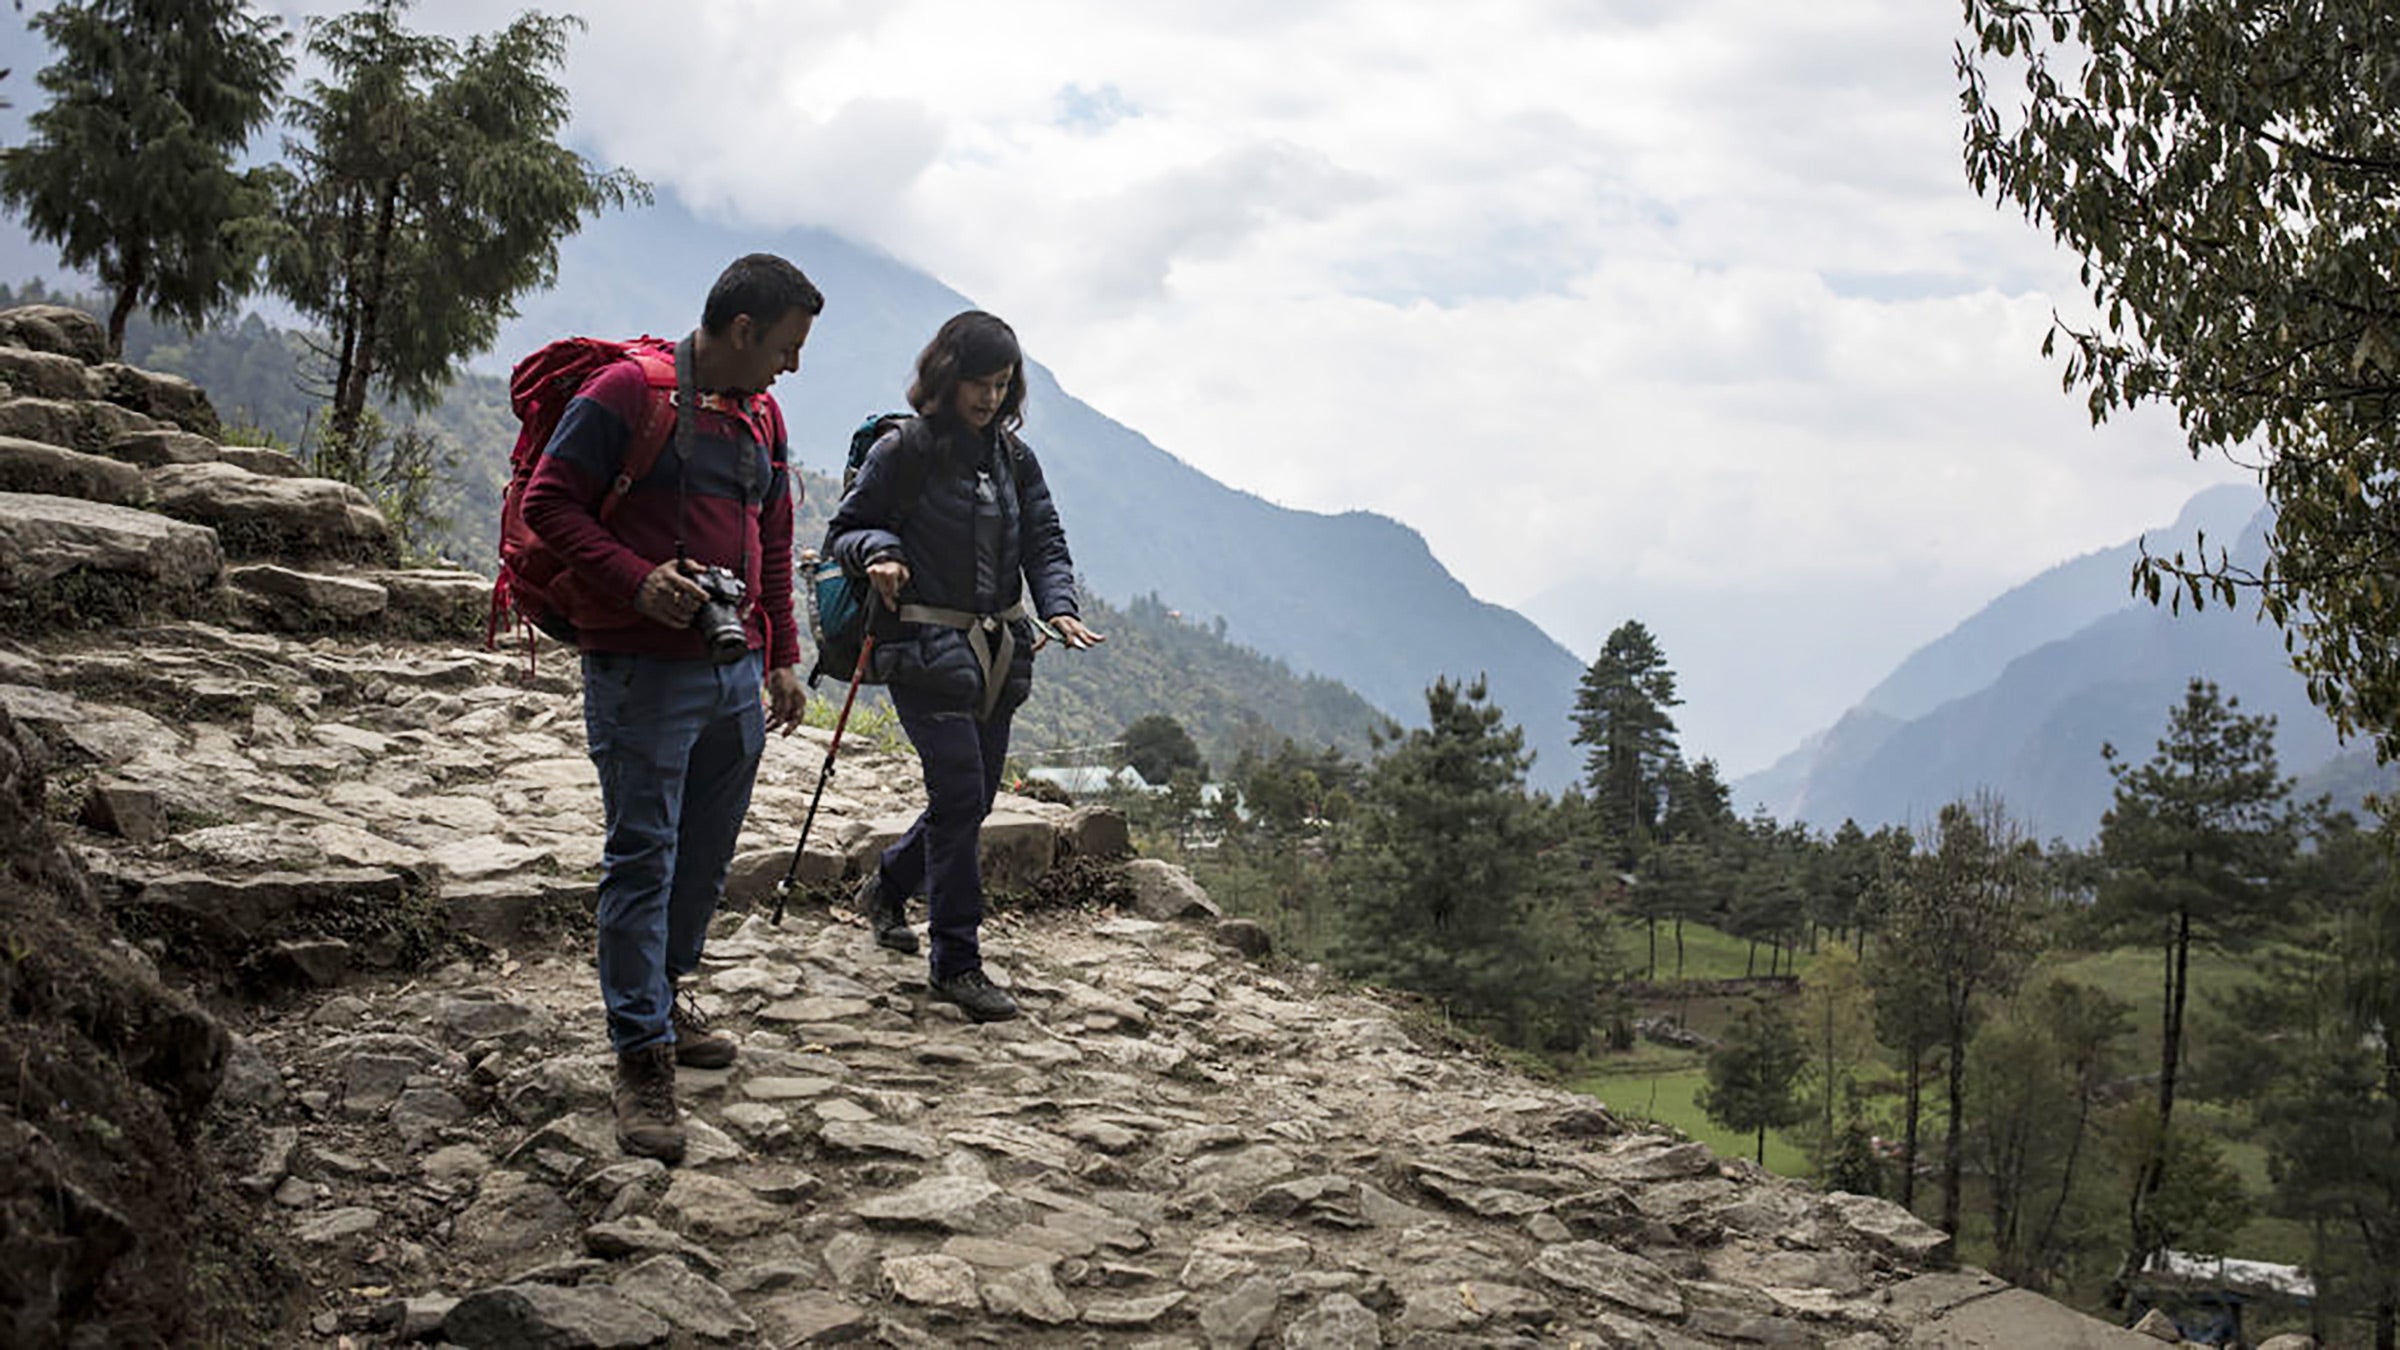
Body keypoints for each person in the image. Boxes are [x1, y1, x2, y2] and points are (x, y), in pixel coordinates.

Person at [521, 253, 821, 1162]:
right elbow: (548, 504)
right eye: (785, 347)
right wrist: (636, 579)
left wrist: (780, 656)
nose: (791, 367)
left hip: (732, 672)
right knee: (642, 856)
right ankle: (639, 1054)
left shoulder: (759, 415)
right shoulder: (627, 394)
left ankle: (665, 994)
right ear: (741, 332)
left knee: (705, 852)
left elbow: (772, 534)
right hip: (640, 668)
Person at [826, 310, 1103, 1022]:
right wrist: (880, 554)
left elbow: (1045, 539)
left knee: (972, 801)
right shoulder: (904, 451)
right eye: (978, 382)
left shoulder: (1015, 461)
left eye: (1002, 384)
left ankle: (888, 887)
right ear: (948, 377)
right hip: (921, 646)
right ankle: (957, 961)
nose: (988, 398)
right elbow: (848, 529)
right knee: (958, 795)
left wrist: (1059, 604)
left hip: (998, 652)